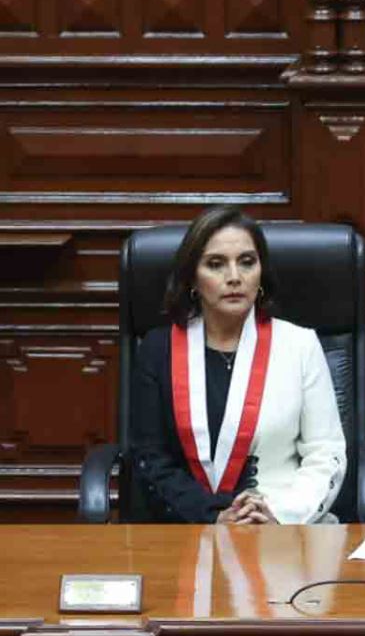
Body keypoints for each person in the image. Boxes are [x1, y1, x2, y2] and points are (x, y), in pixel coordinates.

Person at [128, 207, 347, 523]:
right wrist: (213, 517)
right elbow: (151, 460)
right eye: (215, 264)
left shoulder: (300, 345)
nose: (234, 276)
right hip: (189, 531)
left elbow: (325, 454)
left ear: (261, 273)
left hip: (282, 530)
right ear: (193, 277)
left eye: (247, 262)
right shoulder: (157, 350)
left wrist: (280, 515)